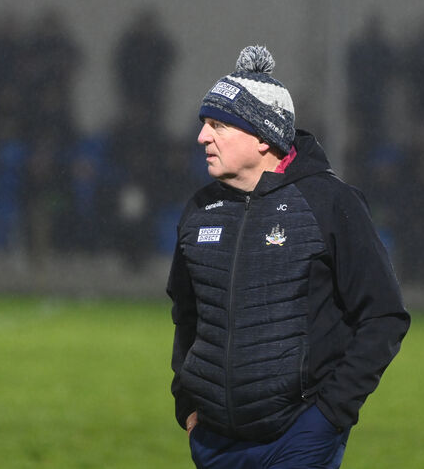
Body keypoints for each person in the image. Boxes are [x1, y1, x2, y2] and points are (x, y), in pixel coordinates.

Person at [167, 45, 410, 468]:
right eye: (204, 125)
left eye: (218, 125)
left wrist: (331, 414)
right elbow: (187, 316)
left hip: (298, 438)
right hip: (213, 442)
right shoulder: (199, 210)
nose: (202, 137)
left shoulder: (331, 203)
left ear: (263, 136)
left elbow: (383, 316)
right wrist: (187, 403)